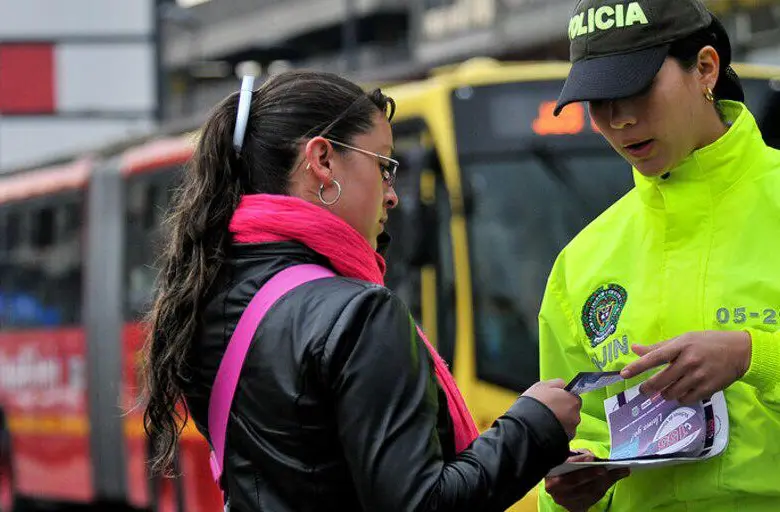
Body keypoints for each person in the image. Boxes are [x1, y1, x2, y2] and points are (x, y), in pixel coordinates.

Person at [140, 69, 582, 511]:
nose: (392, 195)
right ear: (323, 161)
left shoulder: (208, 299)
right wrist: (534, 425)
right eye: (384, 165)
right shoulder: (359, 314)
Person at [537, 0, 780, 510]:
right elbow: (576, 437)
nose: (620, 120)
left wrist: (752, 356)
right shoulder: (580, 263)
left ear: (706, 69)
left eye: (637, 88)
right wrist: (569, 491)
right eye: (598, 101)